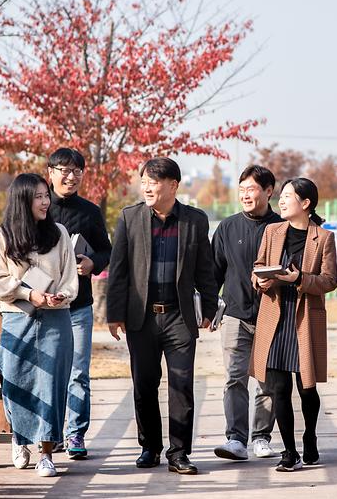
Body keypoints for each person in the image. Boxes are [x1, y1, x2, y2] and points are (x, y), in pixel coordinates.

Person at [106, 157, 219, 475]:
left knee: (181, 385)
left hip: (179, 317)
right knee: (144, 383)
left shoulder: (195, 220)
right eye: (143, 182)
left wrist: (209, 308)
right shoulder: (130, 217)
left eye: (152, 182)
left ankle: (179, 453)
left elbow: (204, 269)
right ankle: (149, 447)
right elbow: (119, 272)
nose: (146, 188)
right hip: (141, 318)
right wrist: (114, 314)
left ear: (173, 185)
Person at [0, 173, 79, 478]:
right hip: (17, 316)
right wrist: (28, 293)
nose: (45, 202)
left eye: (46, 196)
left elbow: (69, 275)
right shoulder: (1, 236)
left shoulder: (59, 232)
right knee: (14, 379)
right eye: (38, 196)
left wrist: (62, 295)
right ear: (22, 200)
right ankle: (19, 438)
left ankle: (46, 453)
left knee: (52, 384)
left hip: (56, 317)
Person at [250, 178, 337, 472]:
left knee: (306, 387)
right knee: (278, 388)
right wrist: (260, 279)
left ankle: (309, 436)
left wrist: (299, 279)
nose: (282, 201)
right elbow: (258, 266)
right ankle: (289, 451)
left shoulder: (323, 238)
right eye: (283, 196)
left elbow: (329, 281)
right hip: (274, 317)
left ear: (306, 204)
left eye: (288, 196)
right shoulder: (272, 231)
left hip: (304, 319)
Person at [46, 148, 112, 460]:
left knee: (77, 373)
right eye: (64, 170)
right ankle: (49, 434)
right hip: (41, 307)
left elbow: (106, 251)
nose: (70, 177)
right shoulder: (36, 206)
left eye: (77, 171)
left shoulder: (90, 212)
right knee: (46, 372)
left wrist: (92, 263)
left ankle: (75, 434)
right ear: (50, 172)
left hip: (78, 306)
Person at [212, 165, 281, 461]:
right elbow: (213, 272)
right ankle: (236, 439)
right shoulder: (227, 227)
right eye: (241, 191)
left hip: (272, 315)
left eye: (251, 189)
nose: (245, 196)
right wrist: (207, 308)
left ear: (269, 191)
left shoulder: (282, 227)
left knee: (268, 380)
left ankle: (262, 437)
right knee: (234, 378)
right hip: (234, 314)